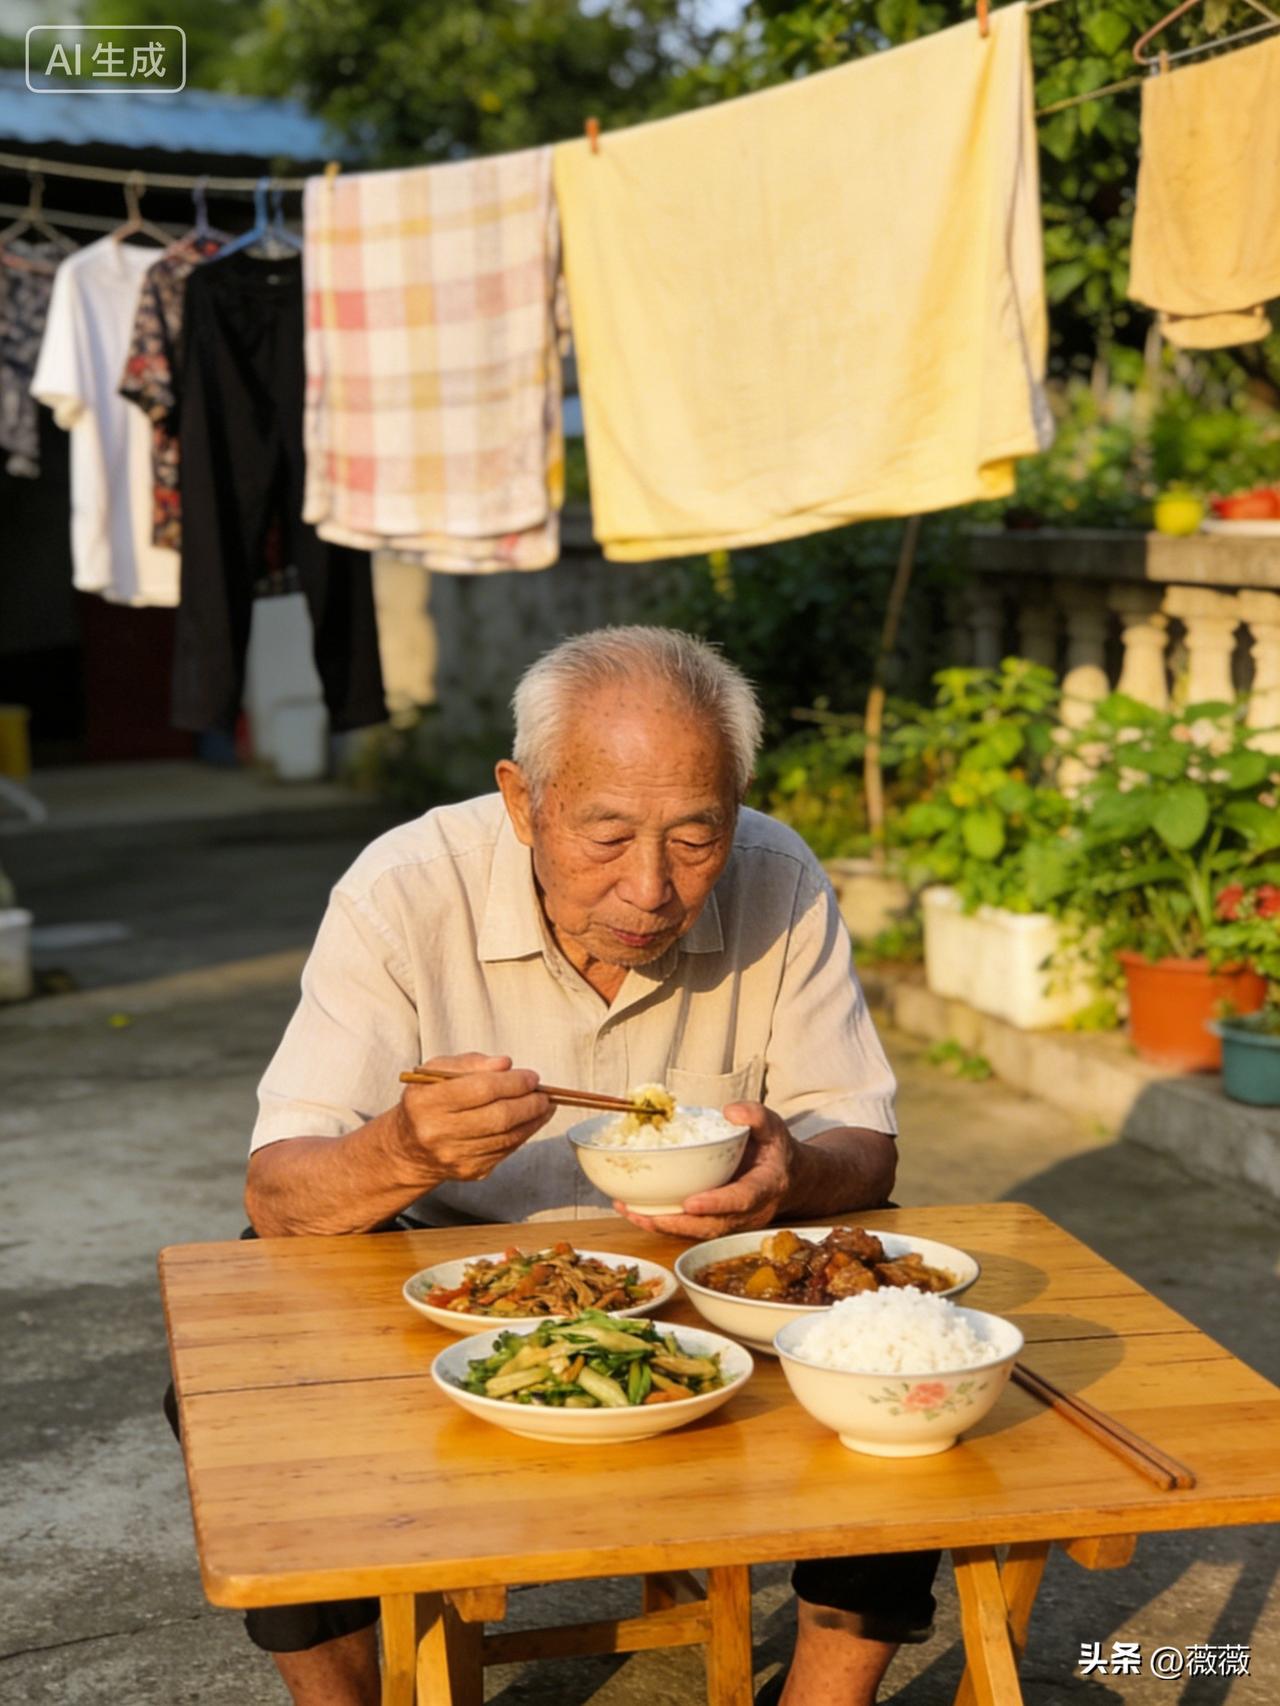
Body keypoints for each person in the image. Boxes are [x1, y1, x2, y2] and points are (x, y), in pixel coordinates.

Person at [235, 625, 939, 1706]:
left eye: (696, 836)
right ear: (522, 801)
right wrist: (404, 1147)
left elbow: (863, 1142)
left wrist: (788, 1171)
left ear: (737, 803)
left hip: (700, 1272)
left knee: (895, 1343)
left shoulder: (779, 875)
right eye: (604, 833)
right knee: (248, 1372)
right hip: (444, 1287)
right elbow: (278, 1192)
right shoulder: (404, 890)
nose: (651, 887)